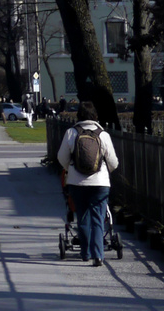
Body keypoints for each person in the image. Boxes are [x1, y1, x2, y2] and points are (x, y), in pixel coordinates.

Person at [56, 101, 120, 266]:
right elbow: (113, 162)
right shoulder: (103, 134)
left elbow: (61, 157)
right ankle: (98, 255)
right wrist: (106, 172)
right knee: (98, 218)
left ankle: (85, 253)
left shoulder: (71, 133)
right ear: (95, 116)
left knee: (83, 217)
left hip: (77, 183)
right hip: (100, 183)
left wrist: (70, 169)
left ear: (79, 115)